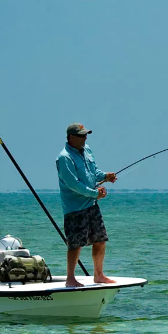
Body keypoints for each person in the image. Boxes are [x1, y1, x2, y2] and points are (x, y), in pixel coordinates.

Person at [56, 123, 117, 287]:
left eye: (86, 135)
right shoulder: (64, 158)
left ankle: (99, 275)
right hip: (74, 208)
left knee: (100, 239)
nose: (85, 138)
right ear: (71, 137)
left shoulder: (87, 150)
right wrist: (95, 193)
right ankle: (70, 278)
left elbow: (94, 171)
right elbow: (73, 184)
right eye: (82, 135)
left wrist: (105, 175)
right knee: (75, 245)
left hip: (91, 204)